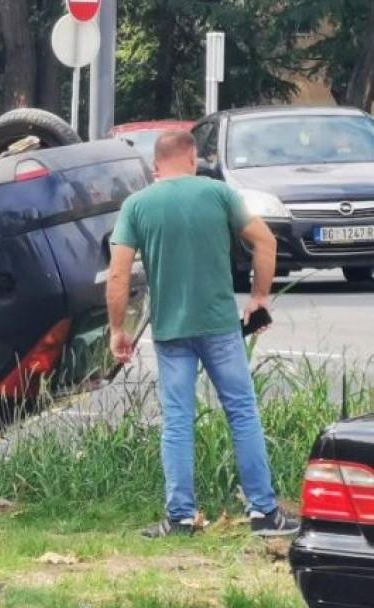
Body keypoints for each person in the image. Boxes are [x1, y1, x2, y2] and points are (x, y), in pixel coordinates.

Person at [107, 129, 299, 539]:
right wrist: (259, 297)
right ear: (193, 158)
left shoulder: (137, 205)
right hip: (219, 327)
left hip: (171, 332)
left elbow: (119, 273)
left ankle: (181, 518)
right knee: (242, 412)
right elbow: (265, 241)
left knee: (177, 420)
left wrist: (117, 330)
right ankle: (264, 513)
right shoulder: (219, 194)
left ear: (155, 166)